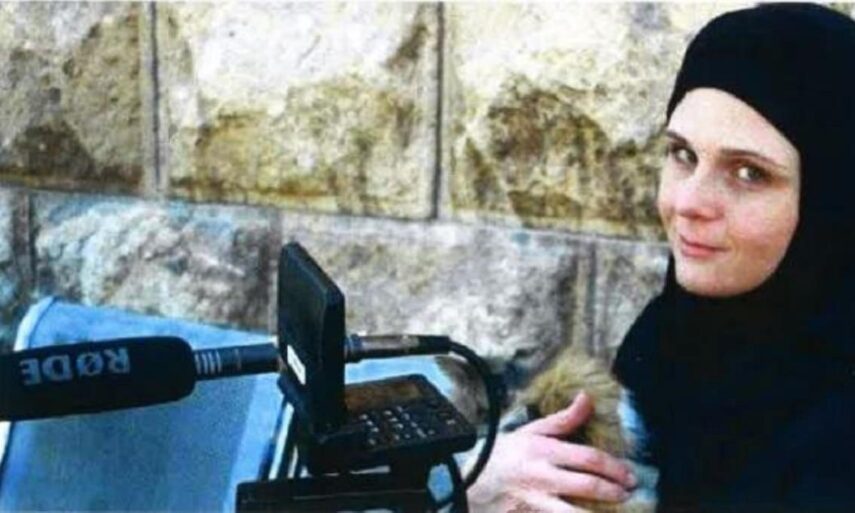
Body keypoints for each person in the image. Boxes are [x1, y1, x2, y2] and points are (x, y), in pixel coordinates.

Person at [467, 4, 855, 512]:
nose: (688, 202)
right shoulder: (669, 343)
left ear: (832, 202)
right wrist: (474, 482)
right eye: (683, 154)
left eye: (749, 173)